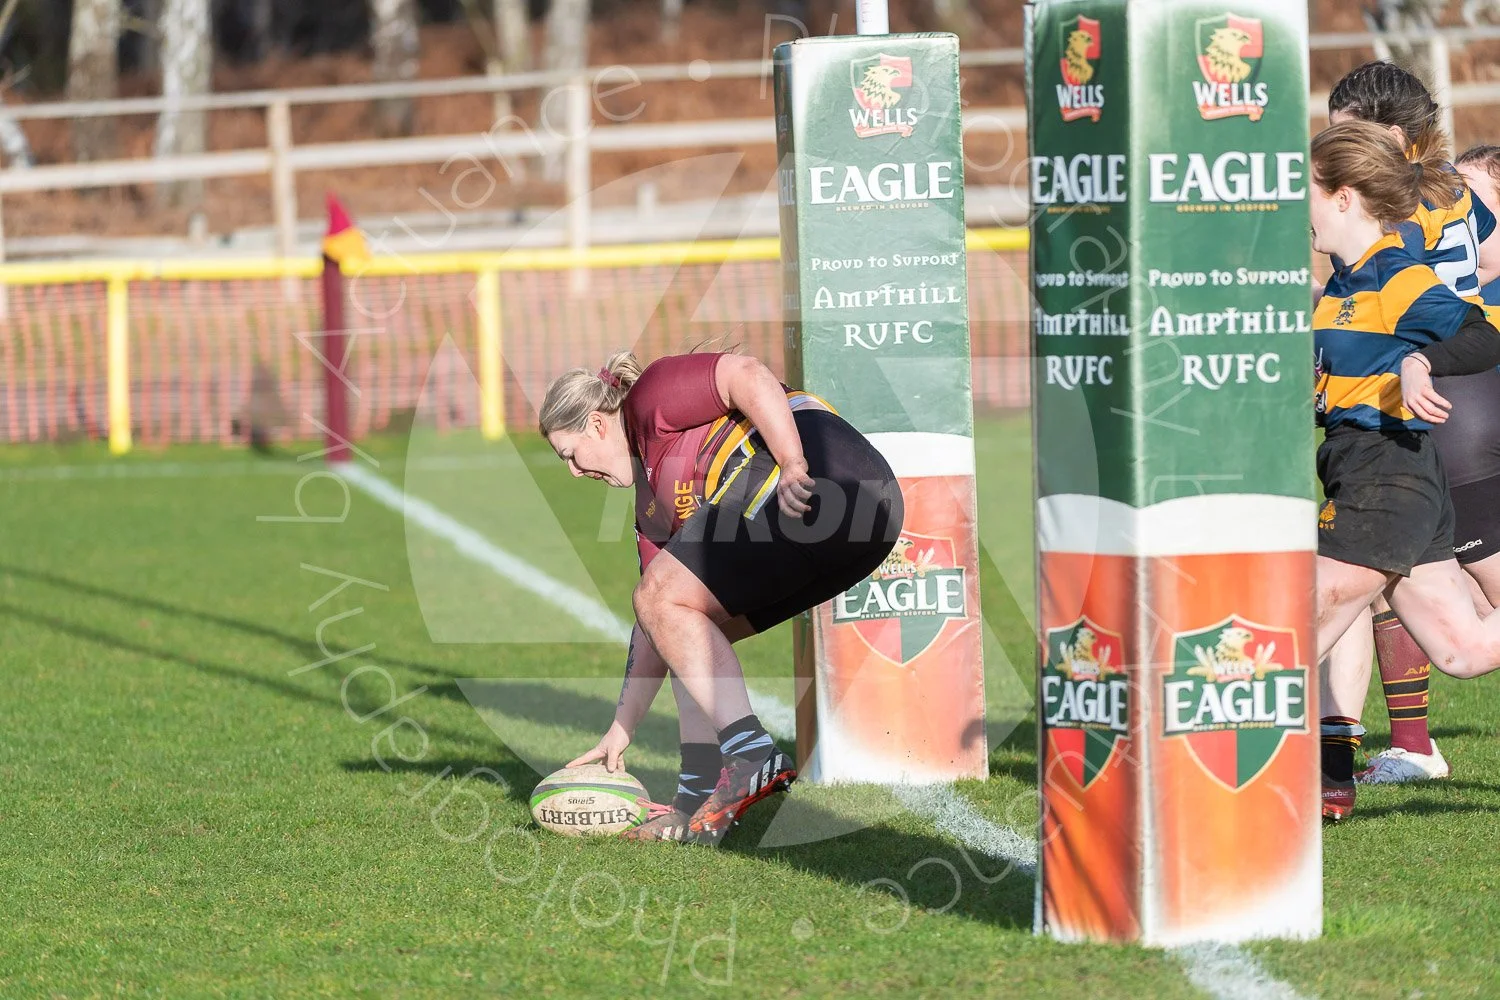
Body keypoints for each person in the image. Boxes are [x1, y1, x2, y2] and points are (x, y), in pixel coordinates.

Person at [538, 349, 904, 843]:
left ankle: (750, 754)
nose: (575, 474)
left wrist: (794, 463)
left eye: (570, 455)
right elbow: (659, 630)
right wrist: (620, 731)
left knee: (663, 602)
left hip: (824, 477)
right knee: (680, 628)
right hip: (870, 525)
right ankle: (698, 794)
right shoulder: (650, 506)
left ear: (599, 425)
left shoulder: (649, 396)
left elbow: (747, 374)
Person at [1309, 120, 1500, 821]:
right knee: (1466, 648)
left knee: (1290, 629)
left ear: (1343, 198)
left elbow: (1483, 334)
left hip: (1387, 473)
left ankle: (1229, 781)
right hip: (1376, 471)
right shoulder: (1339, 288)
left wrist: (1423, 360)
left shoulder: (1397, 272)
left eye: (1308, 188)